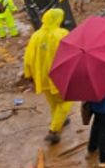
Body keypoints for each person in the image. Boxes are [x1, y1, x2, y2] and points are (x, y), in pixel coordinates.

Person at [24, 8, 71, 144]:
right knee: (66, 101)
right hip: (59, 76)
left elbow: (28, 57)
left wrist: (29, 75)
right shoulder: (62, 34)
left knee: (53, 102)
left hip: (41, 76)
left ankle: (60, 120)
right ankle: (54, 131)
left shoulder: (36, 36)